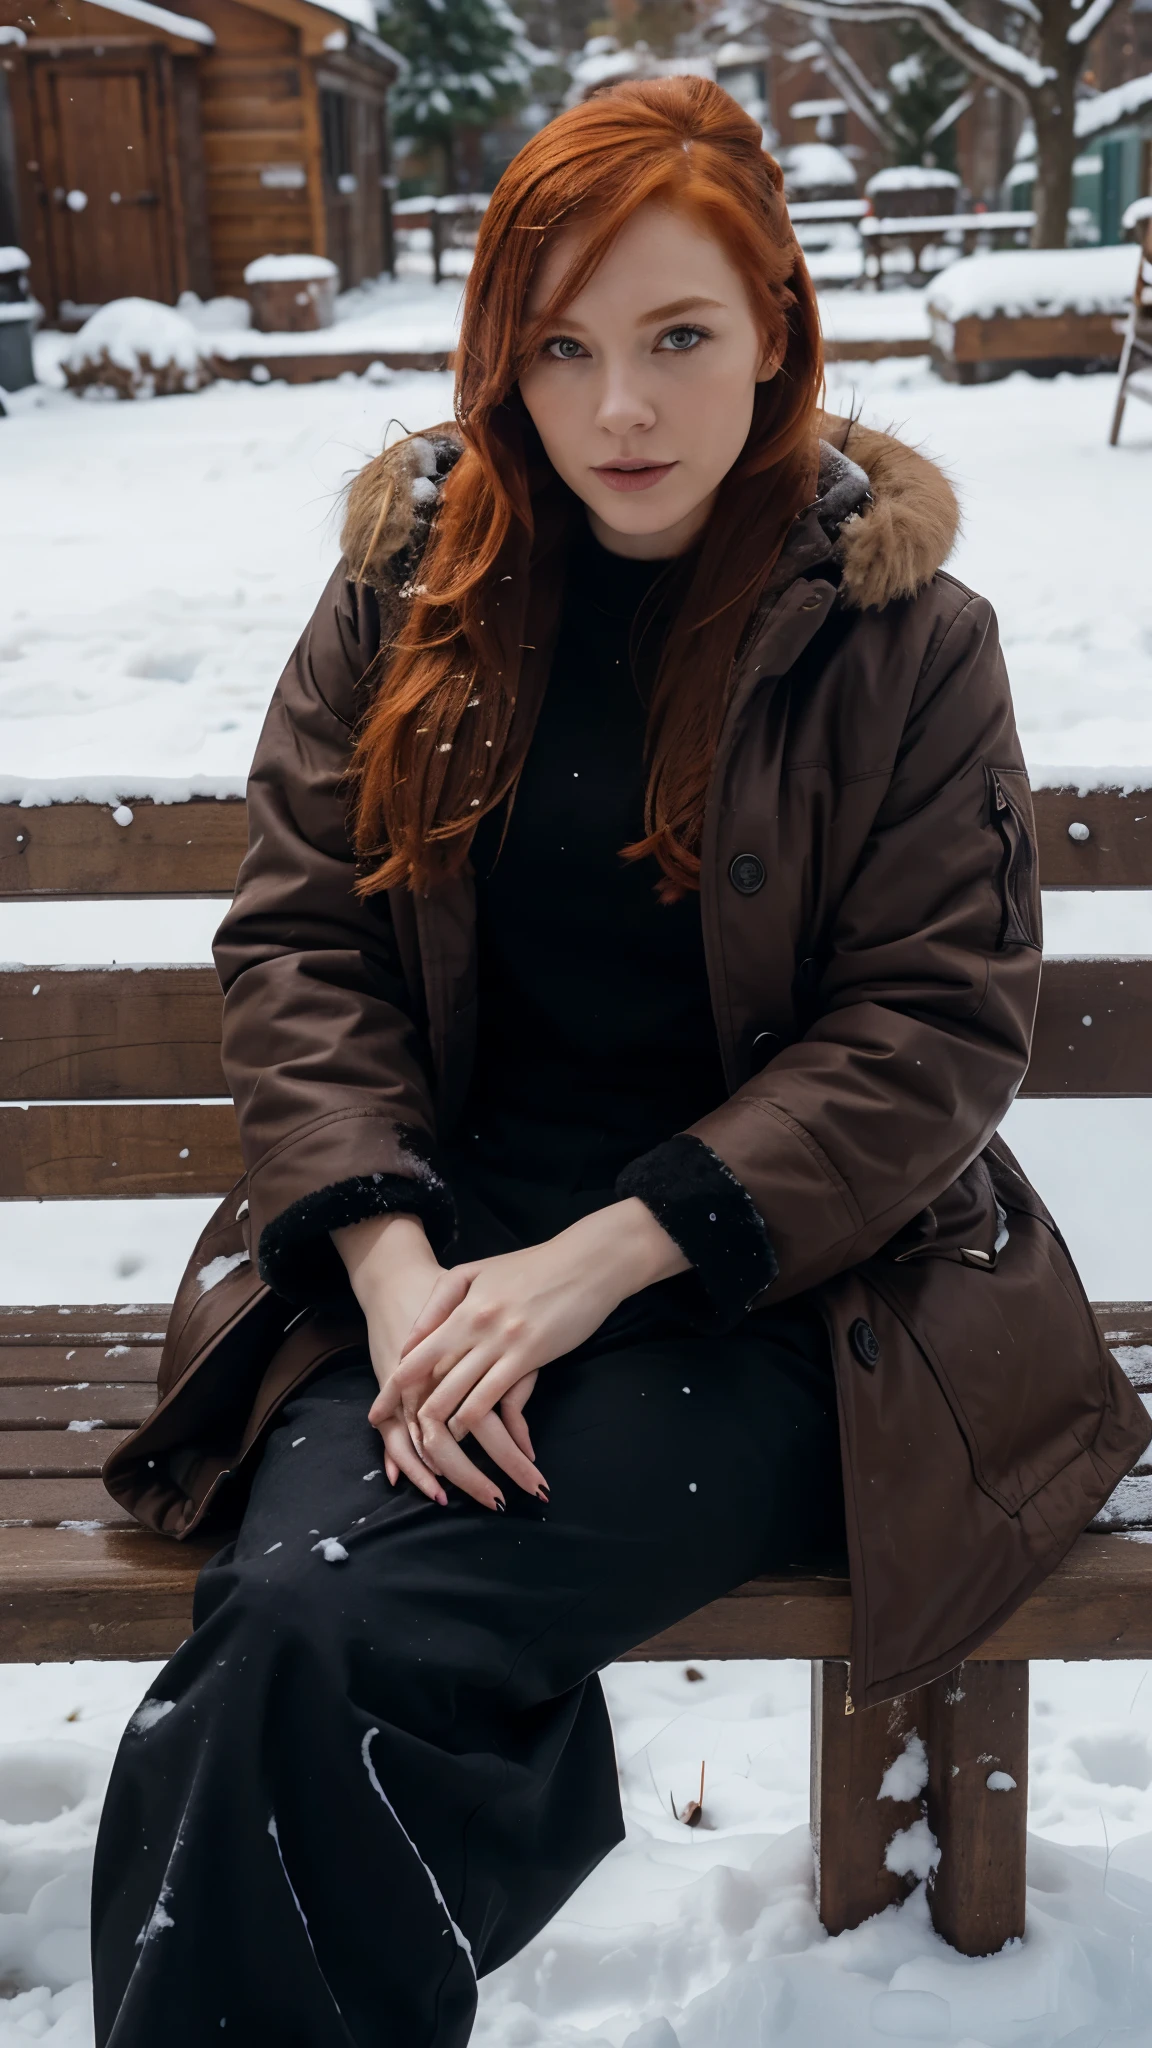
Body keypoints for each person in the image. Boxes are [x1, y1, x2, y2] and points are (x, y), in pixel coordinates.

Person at [93, 75, 1149, 2047]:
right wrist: (402, 1273)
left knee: (334, 1639)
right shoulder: (409, 598)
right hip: (439, 1259)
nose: (621, 412)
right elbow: (305, 940)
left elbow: (931, 1024)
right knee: (294, 1625)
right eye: (560, 350)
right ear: (502, 358)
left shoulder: (908, 640)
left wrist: (605, 1255)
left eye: (678, 338)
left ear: (778, 330)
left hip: (772, 1299)